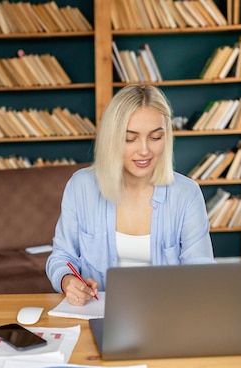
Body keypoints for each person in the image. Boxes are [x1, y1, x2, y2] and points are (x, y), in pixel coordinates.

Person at [46, 84, 215, 305]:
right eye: (130, 138)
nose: (144, 150)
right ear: (112, 138)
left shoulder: (187, 193)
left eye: (155, 137)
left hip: (166, 316)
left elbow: (201, 272)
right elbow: (61, 257)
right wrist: (68, 281)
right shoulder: (82, 186)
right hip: (97, 314)